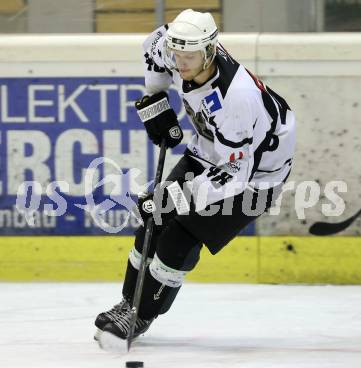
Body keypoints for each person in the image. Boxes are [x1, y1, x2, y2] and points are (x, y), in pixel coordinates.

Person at [94, 9, 296, 342]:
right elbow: (151, 49)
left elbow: (234, 174)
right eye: (177, 54)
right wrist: (155, 98)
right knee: (152, 221)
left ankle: (141, 316)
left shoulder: (236, 100)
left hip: (256, 177)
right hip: (209, 150)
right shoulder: (172, 47)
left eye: (191, 56)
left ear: (211, 51)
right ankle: (127, 304)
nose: (182, 62)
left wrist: (175, 198)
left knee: (179, 238)